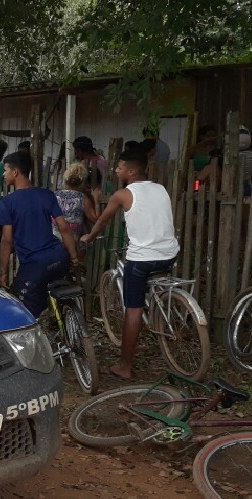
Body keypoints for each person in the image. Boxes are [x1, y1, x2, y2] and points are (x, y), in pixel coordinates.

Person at [82, 148, 179, 379]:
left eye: (120, 167)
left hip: (142, 260)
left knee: (133, 309)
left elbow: (102, 222)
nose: (116, 170)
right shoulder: (161, 189)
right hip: (170, 254)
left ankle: (124, 366)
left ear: (132, 171)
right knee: (144, 288)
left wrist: (89, 237)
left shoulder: (122, 194)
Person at [0, 152, 79, 318]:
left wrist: (3, 271)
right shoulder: (47, 195)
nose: (3, 175)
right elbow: (63, 228)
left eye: (5, 170)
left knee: (25, 311)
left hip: (35, 265)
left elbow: (7, 240)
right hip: (59, 257)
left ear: (15, 172)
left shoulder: (7, 203)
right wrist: (74, 256)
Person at [54, 163, 100, 238]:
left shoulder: (55, 195)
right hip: (72, 237)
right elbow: (96, 219)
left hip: (54, 235)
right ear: (82, 183)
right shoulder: (81, 197)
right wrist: (96, 200)